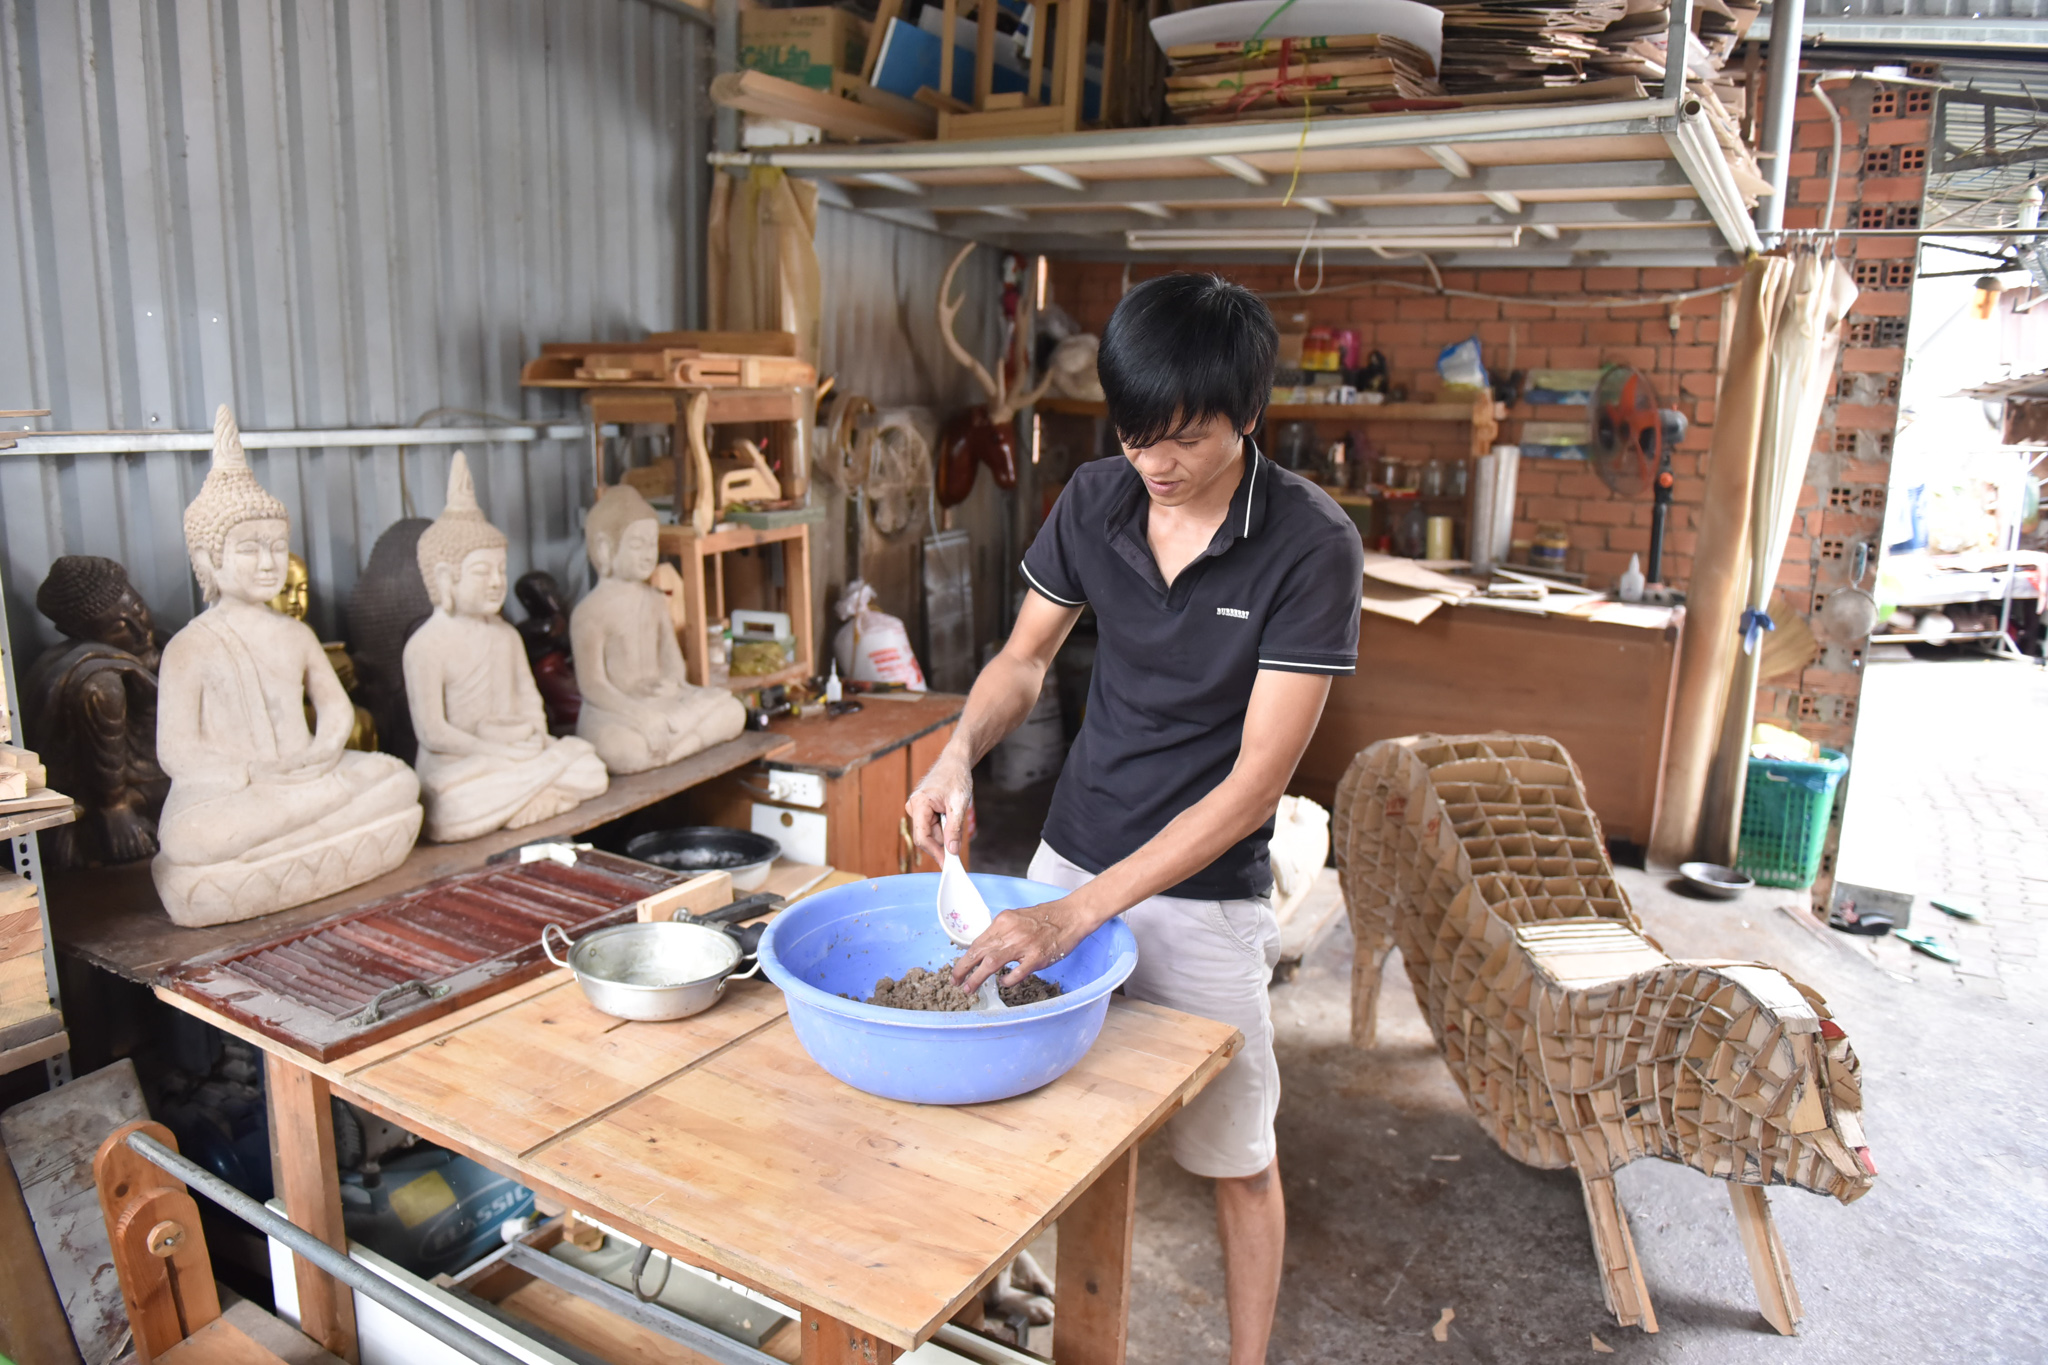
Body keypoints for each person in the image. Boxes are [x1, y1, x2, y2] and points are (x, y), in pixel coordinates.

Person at [907, 273, 1364, 1363]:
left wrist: (1073, 917)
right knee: (1026, 1101)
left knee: (1234, 1152)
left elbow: (1256, 785)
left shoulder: (1310, 545)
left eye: (1187, 440)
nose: (1155, 464)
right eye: (1133, 433)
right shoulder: (1097, 498)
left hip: (1202, 895)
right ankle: (991, 1308)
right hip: (1074, 843)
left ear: (1249, 417)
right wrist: (957, 756)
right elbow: (1022, 659)